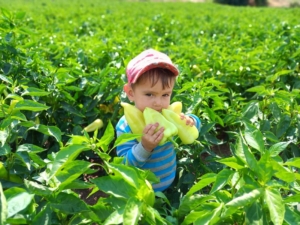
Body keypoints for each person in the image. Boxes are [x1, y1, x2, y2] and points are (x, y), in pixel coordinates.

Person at [116, 49, 201, 192]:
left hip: (170, 181)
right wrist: (145, 147)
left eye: (165, 94)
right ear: (131, 93)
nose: (158, 103)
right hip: (143, 192)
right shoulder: (126, 125)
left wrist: (191, 121)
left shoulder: (168, 113)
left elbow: (191, 128)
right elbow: (125, 165)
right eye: (149, 94)